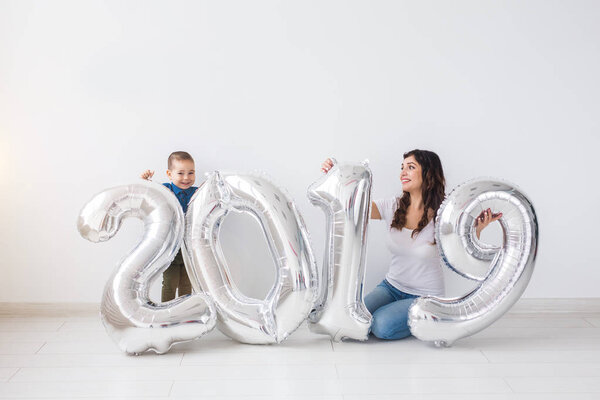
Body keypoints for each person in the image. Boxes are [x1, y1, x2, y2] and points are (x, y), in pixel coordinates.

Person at [321, 150, 501, 340]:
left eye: (411, 167)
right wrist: (336, 177)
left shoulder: (445, 214)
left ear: (428, 174)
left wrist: (477, 230)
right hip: (390, 287)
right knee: (353, 316)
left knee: (381, 326)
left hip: (424, 296)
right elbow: (354, 206)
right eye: (402, 168)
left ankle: (429, 318)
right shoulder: (393, 206)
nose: (403, 173)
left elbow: (461, 249)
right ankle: (409, 320)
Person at [141, 151, 198, 302]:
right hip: (171, 246)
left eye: (191, 173)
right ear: (169, 174)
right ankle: (167, 311)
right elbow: (151, 193)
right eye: (180, 173)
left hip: (188, 246)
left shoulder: (197, 192)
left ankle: (184, 311)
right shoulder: (166, 189)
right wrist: (146, 181)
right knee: (170, 282)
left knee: (187, 283)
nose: (186, 178)